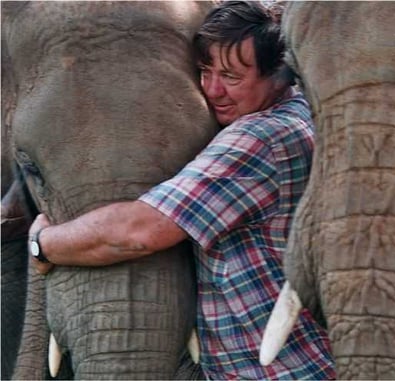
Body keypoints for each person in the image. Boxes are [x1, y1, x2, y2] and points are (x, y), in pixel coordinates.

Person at [28, 1, 336, 379]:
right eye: (205, 71)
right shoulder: (302, 114)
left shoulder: (260, 138)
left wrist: (44, 244)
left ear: (280, 74)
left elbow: (138, 232)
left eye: (232, 76)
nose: (213, 90)